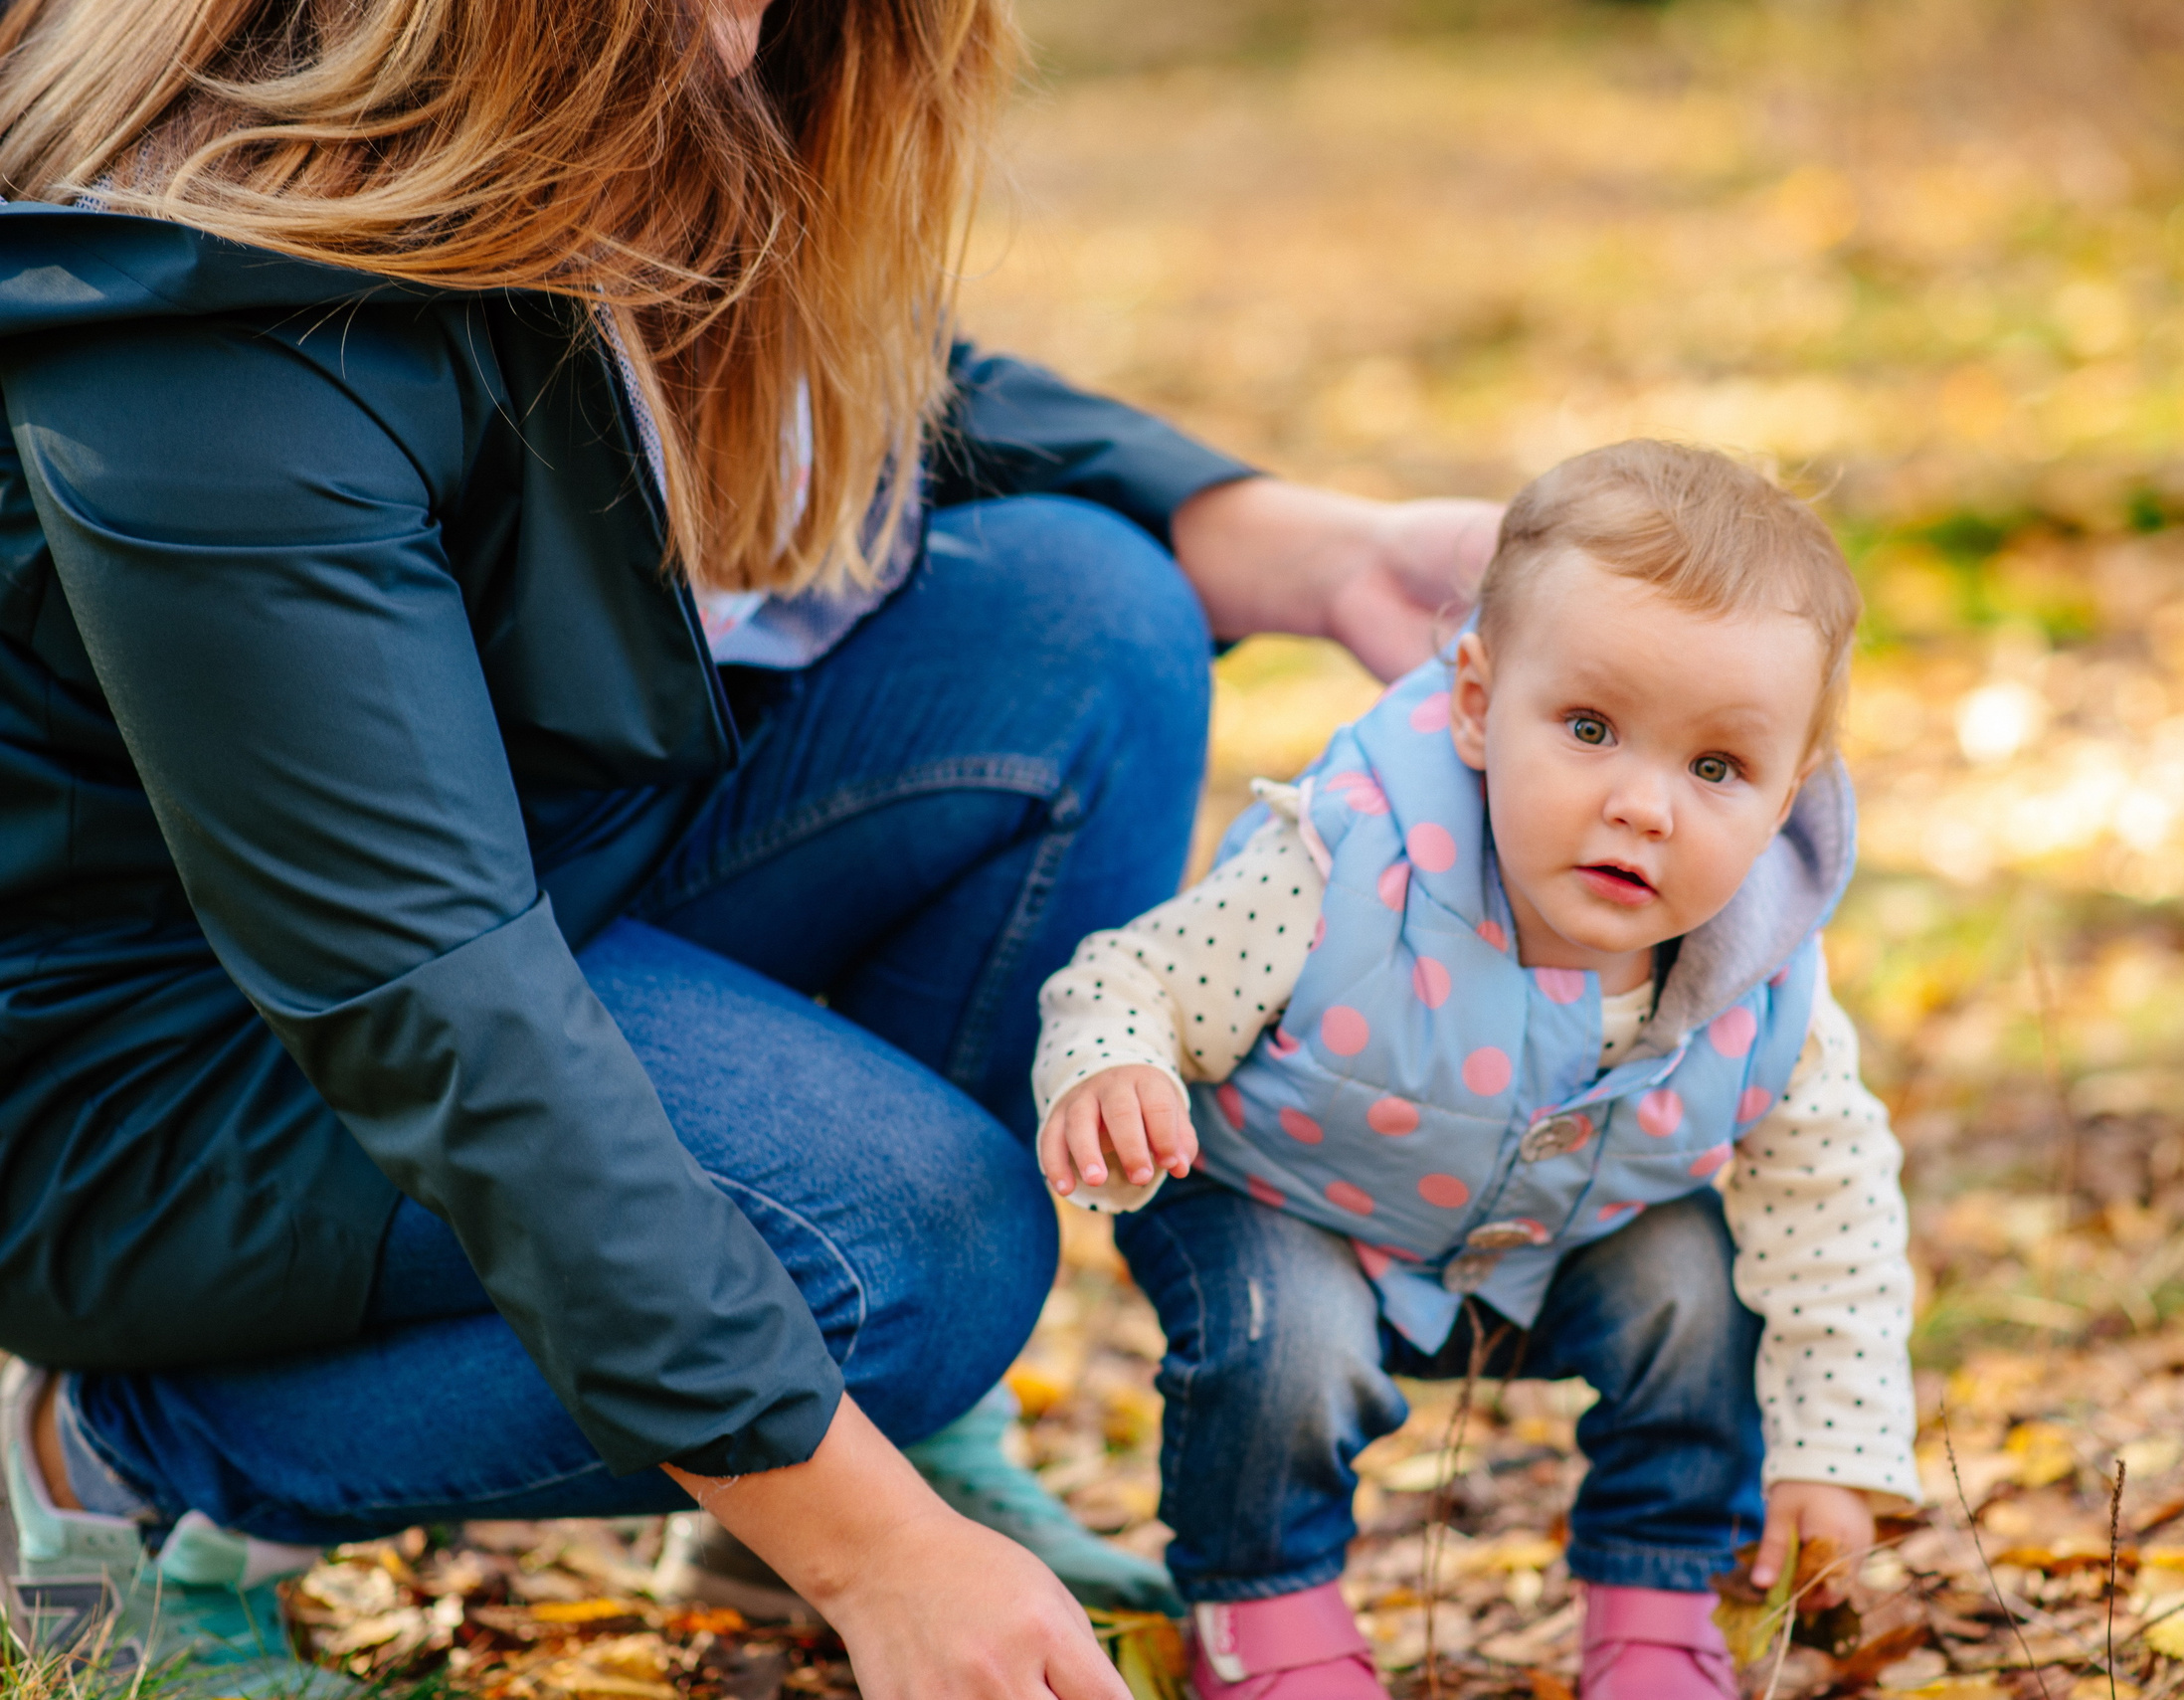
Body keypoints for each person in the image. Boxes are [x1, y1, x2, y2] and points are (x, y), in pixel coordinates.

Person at [0, 0, 1501, 1695]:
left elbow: (833, 381)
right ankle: (117, 1455)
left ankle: (806, 1468)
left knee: (1086, 616)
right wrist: (876, 1552)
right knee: (912, 1253)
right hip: (155, 1071)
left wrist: (1318, 549)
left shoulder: (605, 105)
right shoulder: (203, 298)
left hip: (511, 885)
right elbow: (428, 994)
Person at [1028, 442, 1920, 1699]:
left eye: (1715, 766)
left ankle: (1656, 1611)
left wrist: (1833, 1449)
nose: (1644, 804)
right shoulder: (1344, 864)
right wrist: (1115, 1065)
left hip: (1543, 1243)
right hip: (1285, 1205)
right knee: (1290, 1343)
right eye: (1590, 728)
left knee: (1697, 1284)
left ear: (1787, 799)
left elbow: (1834, 1217)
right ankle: (1266, 1620)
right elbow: (1132, 977)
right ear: (1473, 704)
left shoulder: (1767, 987)